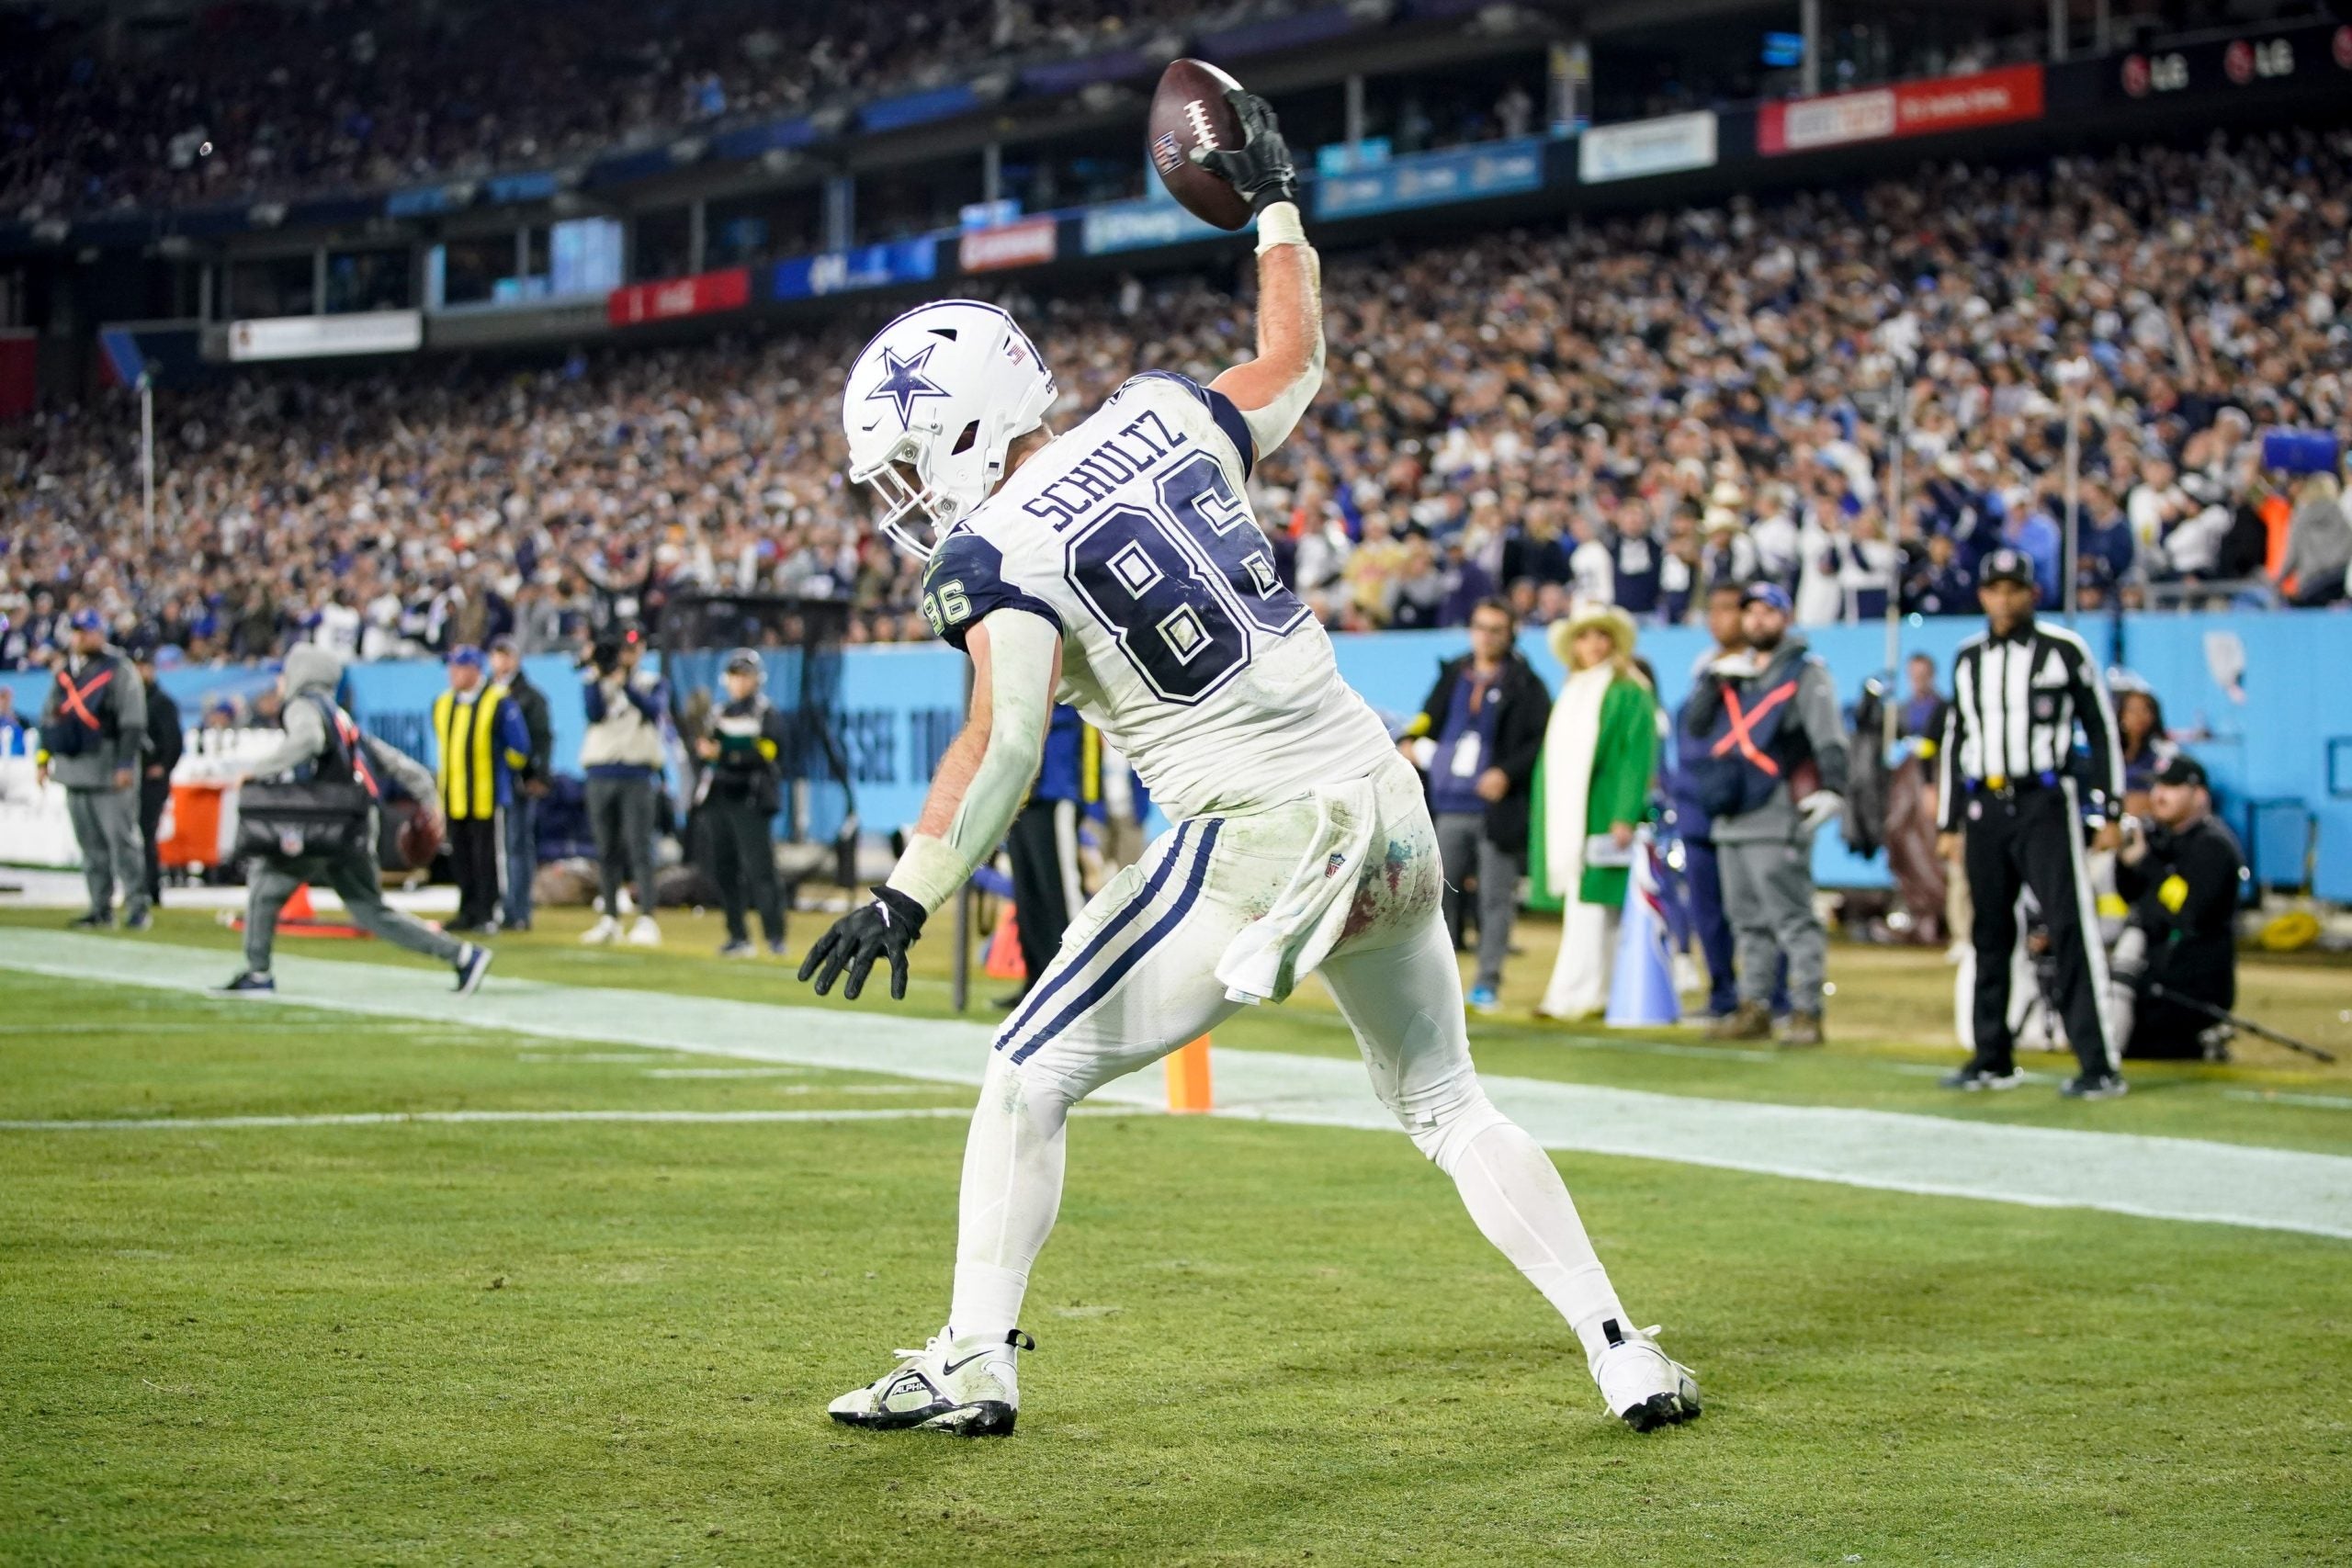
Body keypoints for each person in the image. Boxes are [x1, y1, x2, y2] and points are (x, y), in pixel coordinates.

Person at [801, 94, 1697, 1438]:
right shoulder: (1164, 411)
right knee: (1449, 1103)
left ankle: (975, 1355)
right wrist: (1276, 202)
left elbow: (1004, 737)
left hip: (1257, 838)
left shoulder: (991, 553)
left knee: (1024, 1070)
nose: (908, 495)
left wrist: (910, 889)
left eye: (911, 462)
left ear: (966, 428)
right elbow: (1296, 354)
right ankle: (1621, 1347)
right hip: (1385, 805)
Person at [1936, 547, 2127, 1099]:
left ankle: (2098, 1063)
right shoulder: (1967, 658)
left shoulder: (2065, 651)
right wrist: (1950, 821)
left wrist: (2109, 807)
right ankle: (1991, 1054)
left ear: (2031, 594)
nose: (2003, 598)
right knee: (1988, 932)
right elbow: (1956, 741)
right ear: (1981, 596)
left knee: (2070, 927)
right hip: (1985, 805)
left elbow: (2101, 728)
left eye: (2012, 588)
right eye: (1993, 589)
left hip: (2045, 802)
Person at [218, 645, 492, 996]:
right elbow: (396, 762)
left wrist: (257, 772)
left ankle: (257, 973)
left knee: (265, 886)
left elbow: (308, 740)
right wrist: (429, 800)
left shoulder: (304, 707)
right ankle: (463, 956)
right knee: (371, 910)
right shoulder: (339, 715)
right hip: (356, 824)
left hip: (322, 825)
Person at [1683, 583, 1849, 1045]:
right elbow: (1696, 727)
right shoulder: (1731, 674)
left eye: (1767, 613)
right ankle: (1753, 1005)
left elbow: (1829, 733)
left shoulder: (1804, 672)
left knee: (1792, 919)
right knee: (1745, 920)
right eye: (1750, 612)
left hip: (1776, 812)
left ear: (1786, 617)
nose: (1757, 621)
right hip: (1731, 815)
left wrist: (1832, 785)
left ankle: (1806, 1010)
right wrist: (1713, 684)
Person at [1401, 596, 1549, 1013]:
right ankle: (1437, 984)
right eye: (1481, 627)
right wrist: (1411, 739)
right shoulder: (1453, 675)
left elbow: (1538, 740)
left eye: (1496, 629)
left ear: (1511, 634)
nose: (1486, 636)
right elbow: (1427, 717)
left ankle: (1487, 982)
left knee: (1495, 899)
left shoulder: (1525, 684)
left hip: (1495, 811)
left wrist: (1506, 772)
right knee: (1436, 895)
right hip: (1448, 805)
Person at [1532, 604, 1657, 1021]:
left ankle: (1578, 993)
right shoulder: (1574, 689)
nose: (1594, 645)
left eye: (1602, 636)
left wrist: (1624, 812)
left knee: (1595, 904)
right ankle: (1588, 990)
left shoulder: (1629, 690)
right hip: (1571, 814)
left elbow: (1635, 756)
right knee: (1586, 905)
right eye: (1585, 636)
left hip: (1602, 810)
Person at [2108, 755, 2245, 1060]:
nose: (2159, 795)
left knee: (2138, 1046)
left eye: (2171, 786)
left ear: (2199, 795)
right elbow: (2131, 896)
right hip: (2155, 979)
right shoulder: (2160, 839)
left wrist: (2146, 864)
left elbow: (2186, 910)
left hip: (2192, 988)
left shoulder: (2214, 846)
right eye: (2156, 786)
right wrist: (2125, 860)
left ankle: (2205, 1040)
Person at [1661, 581, 1749, 1020]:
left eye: (1730, 609)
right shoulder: (1703, 667)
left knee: (1752, 909)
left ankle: (1768, 996)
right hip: (1697, 803)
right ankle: (1722, 994)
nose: (1719, 619)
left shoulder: (1761, 668)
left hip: (1741, 805)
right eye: (1713, 609)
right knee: (1707, 909)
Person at [35, 609, 150, 931]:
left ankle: (137, 905)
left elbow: (132, 722)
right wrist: (43, 760)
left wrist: (126, 763)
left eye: (88, 631)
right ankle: (100, 907)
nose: (82, 637)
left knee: (122, 841)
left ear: (101, 633)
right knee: (90, 847)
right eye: (78, 631)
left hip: (109, 767)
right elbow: (49, 721)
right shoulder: (65, 673)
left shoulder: (119, 670)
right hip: (75, 768)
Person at [695, 648, 790, 958]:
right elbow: (705, 750)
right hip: (720, 797)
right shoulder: (720, 713)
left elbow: (767, 753)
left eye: (745, 675)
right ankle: (738, 935)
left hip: (749, 799)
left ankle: (775, 936)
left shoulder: (766, 713)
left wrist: (725, 753)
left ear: (756, 679)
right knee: (724, 869)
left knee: (760, 870)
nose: (739, 682)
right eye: (735, 676)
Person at [430, 645, 529, 934]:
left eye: (459, 667)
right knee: (460, 857)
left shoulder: (497, 700)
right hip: (453, 794)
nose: (453, 673)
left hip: (486, 795)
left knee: (487, 857)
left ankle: (488, 911)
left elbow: (518, 748)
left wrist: (502, 776)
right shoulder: (443, 703)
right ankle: (467, 910)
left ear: (475, 670)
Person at [1001, 704, 1097, 1004]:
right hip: (1021, 789)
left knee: (1061, 892)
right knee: (1027, 894)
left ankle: (1081, 984)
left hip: (1056, 785)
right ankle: (1036, 985)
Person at [579, 624, 666, 946]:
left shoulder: (651, 681)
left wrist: (625, 683)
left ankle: (646, 917)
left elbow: (653, 710)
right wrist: (599, 673)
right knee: (605, 849)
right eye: (623, 649)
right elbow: (592, 713)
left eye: (634, 647)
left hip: (637, 772)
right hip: (601, 771)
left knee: (640, 847)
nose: (628, 655)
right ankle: (610, 917)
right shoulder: (597, 681)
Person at [488, 635, 553, 931]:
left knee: (517, 846)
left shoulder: (530, 696)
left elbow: (541, 738)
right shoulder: (486, 692)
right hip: (486, 780)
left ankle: (518, 909)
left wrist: (538, 775)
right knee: (495, 846)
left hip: (517, 780)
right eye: (497, 655)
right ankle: (496, 905)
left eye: (506, 655)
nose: (501, 661)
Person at [130, 638, 184, 909]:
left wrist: (163, 766)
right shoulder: (130, 699)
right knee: (134, 834)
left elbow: (174, 741)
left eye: (144, 667)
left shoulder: (162, 702)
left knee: (146, 833)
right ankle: (136, 887)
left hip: (151, 780)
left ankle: (151, 889)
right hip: (133, 777)